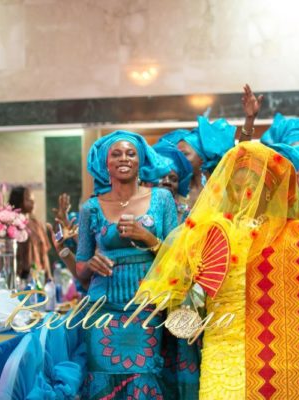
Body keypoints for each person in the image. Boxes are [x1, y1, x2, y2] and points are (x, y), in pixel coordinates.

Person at [137, 141, 299, 399]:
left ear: (269, 190)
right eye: (236, 187)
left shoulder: (290, 233)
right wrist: (196, 287)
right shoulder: (210, 231)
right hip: (223, 346)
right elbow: (184, 318)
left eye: (252, 185)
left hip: (277, 352)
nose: (243, 193)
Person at [75, 130, 177, 399]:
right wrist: (91, 265)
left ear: (140, 159)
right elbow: (81, 267)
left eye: (131, 153)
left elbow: (179, 256)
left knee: (143, 377)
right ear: (104, 164)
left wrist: (147, 237)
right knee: (103, 380)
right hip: (101, 310)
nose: (124, 158)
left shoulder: (162, 199)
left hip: (146, 308)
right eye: (116, 154)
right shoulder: (91, 208)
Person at [158, 116, 236, 205]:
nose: (179, 158)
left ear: (202, 159)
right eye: (178, 154)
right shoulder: (176, 188)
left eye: (184, 154)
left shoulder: (222, 190)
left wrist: (249, 120)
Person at [8, 186, 52, 281]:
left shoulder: (37, 224)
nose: (33, 201)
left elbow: (44, 254)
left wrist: (49, 277)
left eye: (33, 198)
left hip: (39, 277)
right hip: (20, 278)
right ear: (18, 201)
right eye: (28, 199)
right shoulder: (11, 225)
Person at [153, 142, 194, 223]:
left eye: (173, 179)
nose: (167, 182)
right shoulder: (140, 210)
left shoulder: (186, 215)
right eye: (161, 176)